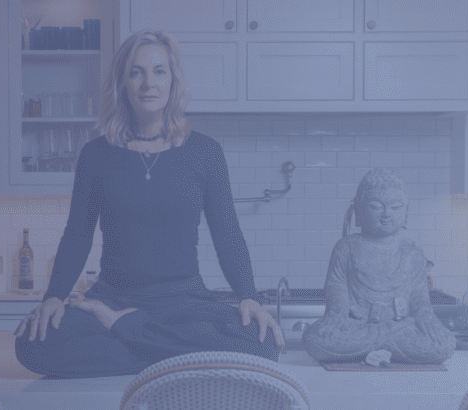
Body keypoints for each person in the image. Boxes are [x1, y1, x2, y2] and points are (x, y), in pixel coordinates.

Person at [14, 29, 283, 378]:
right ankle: (172, 353)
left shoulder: (205, 152)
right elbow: (77, 234)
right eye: (136, 72)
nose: (148, 83)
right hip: (111, 298)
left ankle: (125, 330)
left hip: (185, 302)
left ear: (174, 80)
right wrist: (53, 297)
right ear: (123, 82)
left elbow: (227, 233)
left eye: (159, 71)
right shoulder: (95, 155)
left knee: (259, 342)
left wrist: (249, 296)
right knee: (33, 344)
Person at [302, 168, 455, 365]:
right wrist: (336, 315)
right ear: (359, 209)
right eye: (376, 206)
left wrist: (427, 317)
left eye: (396, 207)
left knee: (445, 344)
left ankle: (377, 346)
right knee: (316, 339)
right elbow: (336, 286)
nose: (386, 214)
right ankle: (386, 345)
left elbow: (419, 295)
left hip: (400, 327)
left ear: (406, 212)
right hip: (358, 326)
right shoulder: (346, 247)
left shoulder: (412, 251)